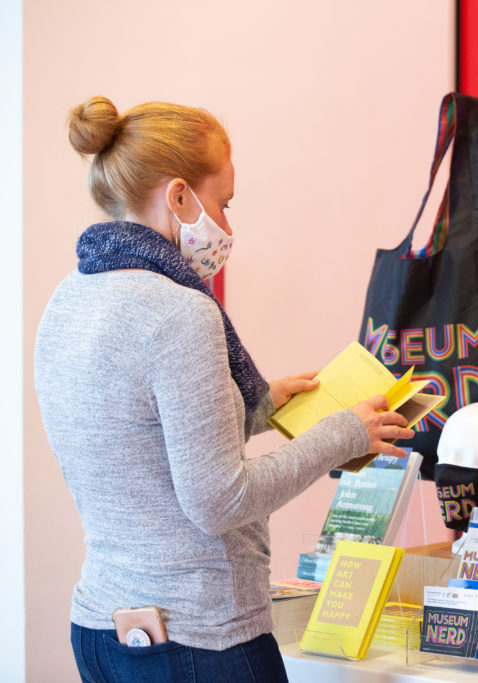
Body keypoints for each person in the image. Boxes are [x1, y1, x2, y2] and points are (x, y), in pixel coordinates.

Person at [34, 96, 414, 682]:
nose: (228, 227)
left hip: (102, 630)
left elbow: (136, 433)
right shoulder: (179, 313)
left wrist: (256, 409)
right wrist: (345, 433)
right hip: (197, 639)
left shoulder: (68, 299)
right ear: (179, 195)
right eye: (224, 202)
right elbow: (220, 500)